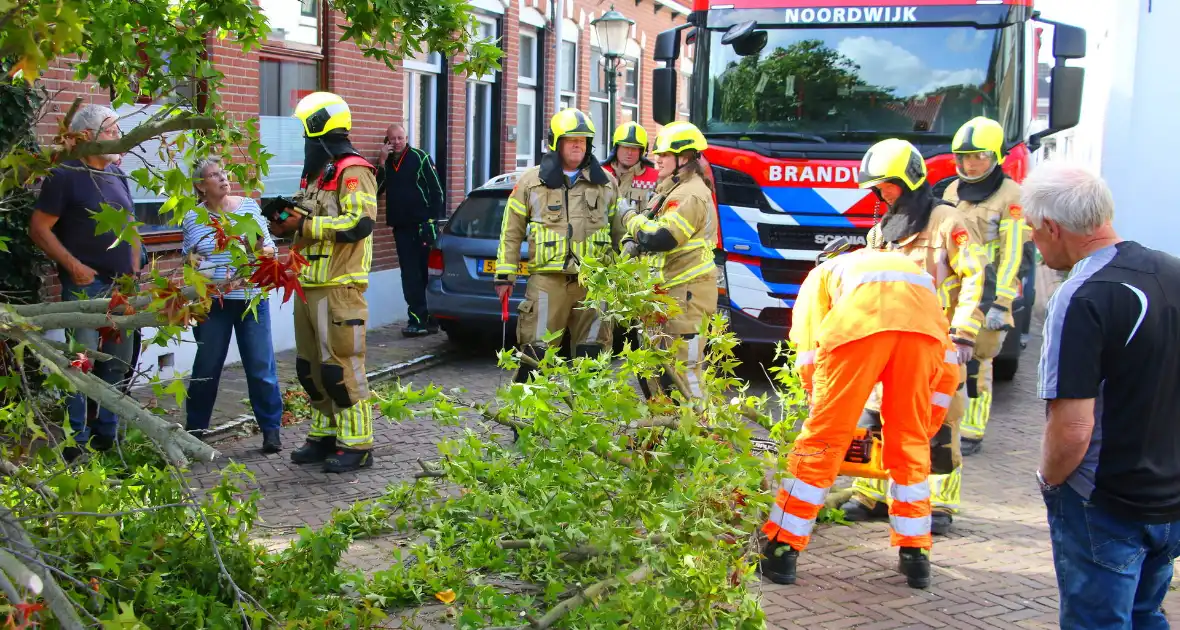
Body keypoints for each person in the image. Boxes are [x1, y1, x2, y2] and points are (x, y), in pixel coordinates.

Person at [1028, 163, 1180, 629]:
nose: (1033, 241)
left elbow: (1074, 427)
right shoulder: (1173, 271)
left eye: (1034, 230)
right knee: (1145, 614)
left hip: (1106, 500)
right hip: (1169, 497)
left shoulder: (1082, 295)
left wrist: (1050, 482)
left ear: (1053, 227)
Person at [760, 239, 960, 589]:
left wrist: (817, 400)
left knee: (821, 443)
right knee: (910, 445)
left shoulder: (825, 272)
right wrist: (924, 428)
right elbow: (947, 365)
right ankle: (916, 555)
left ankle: (782, 550)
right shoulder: (913, 273)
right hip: (922, 340)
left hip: (858, 332)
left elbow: (807, 342)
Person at [841, 138, 992, 535]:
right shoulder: (883, 230)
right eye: (878, 188)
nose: (882, 193)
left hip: (935, 344)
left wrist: (963, 333)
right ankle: (870, 493)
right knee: (875, 416)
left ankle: (938, 504)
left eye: (887, 185)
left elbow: (976, 276)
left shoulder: (947, 222)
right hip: (887, 341)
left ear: (908, 180)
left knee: (938, 424)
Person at [267, 92, 379, 473]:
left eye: (305, 131)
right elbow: (305, 219)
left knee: (340, 367)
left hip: (339, 286)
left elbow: (359, 223)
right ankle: (324, 434)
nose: (302, 139)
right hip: (308, 283)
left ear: (319, 127)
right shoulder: (316, 172)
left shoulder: (354, 171)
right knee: (310, 368)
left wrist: (305, 224)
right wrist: (285, 222)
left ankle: (357, 444)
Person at [29, 104, 139, 459]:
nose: (118, 137)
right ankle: (75, 440)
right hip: (85, 287)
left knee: (118, 362)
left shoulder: (118, 175)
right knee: (81, 362)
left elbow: (131, 226)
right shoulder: (66, 174)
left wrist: (134, 269)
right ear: (88, 136)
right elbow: (39, 228)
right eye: (111, 130)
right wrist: (73, 265)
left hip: (122, 287)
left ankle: (108, 434)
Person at [494, 108, 621, 386]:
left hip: (594, 283)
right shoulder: (531, 182)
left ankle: (588, 413)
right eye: (571, 139)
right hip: (547, 282)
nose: (578, 145)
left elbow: (619, 232)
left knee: (593, 355)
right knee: (536, 354)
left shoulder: (606, 183)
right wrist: (505, 275)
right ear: (556, 142)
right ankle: (527, 412)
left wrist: (624, 279)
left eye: (583, 140)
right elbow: (511, 231)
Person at [182, 157, 284, 453]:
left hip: (251, 299)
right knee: (206, 368)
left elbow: (270, 250)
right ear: (201, 186)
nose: (224, 178)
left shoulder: (248, 208)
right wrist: (198, 265)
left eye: (224, 173)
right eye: (214, 175)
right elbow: (189, 259)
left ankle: (271, 431)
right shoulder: (193, 217)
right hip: (214, 304)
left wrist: (259, 251)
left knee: (260, 366)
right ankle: (195, 432)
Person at [943, 117, 1029, 455]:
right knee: (949, 362)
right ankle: (948, 421)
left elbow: (1013, 254)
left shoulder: (1012, 195)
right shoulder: (952, 191)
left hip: (987, 294)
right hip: (955, 293)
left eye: (979, 156)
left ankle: (972, 431)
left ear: (996, 156)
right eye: (964, 157)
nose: (971, 164)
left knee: (978, 364)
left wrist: (1001, 303)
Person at [618, 121, 718, 400]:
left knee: (684, 375)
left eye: (664, 155)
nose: (657, 159)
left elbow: (661, 236)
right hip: (667, 295)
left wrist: (628, 218)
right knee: (653, 373)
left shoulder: (690, 194)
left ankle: (697, 425)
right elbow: (650, 227)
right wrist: (633, 241)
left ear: (684, 158)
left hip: (686, 298)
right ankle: (661, 424)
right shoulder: (671, 189)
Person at [376, 123, 445, 337]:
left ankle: (430, 319)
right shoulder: (387, 163)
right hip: (401, 227)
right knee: (409, 274)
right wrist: (381, 162)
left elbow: (437, 191)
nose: (397, 142)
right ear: (387, 141)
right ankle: (417, 318)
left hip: (423, 226)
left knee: (425, 272)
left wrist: (432, 220)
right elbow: (376, 190)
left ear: (406, 138)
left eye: (400, 138)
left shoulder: (420, 158)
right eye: (392, 139)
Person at [602, 121, 659, 215]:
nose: (629, 153)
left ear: (641, 152)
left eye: (634, 148)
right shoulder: (601, 173)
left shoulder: (655, 177)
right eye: (625, 147)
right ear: (616, 148)